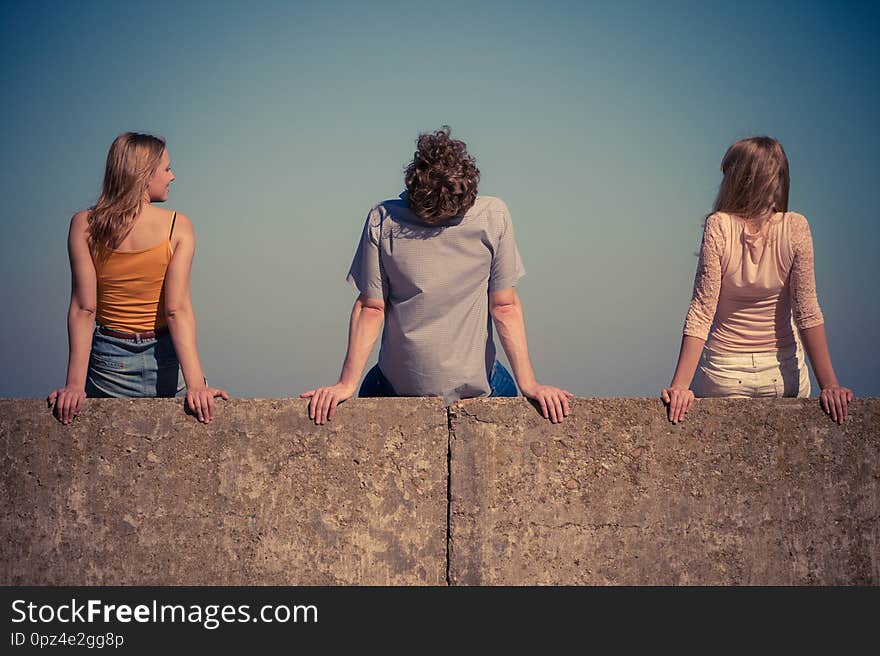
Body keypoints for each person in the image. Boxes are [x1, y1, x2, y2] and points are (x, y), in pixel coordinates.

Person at [302, 126, 572, 424]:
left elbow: (371, 308)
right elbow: (504, 307)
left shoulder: (383, 218)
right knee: (500, 384)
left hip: (399, 388)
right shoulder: (493, 214)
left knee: (370, 390)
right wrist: (530, 385)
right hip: (475, 386)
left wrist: (346, 385)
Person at [662, 136, 853, 425]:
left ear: (736, 179)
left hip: (724, 375)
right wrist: (830, 385)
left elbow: (702, 309)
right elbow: (807, 311)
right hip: (782, 374)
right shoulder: (796, 227)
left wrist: (680, 386)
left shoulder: (719, 226)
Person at [47, 132, 227, 424]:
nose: (172, 176)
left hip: (108, 365)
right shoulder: (177, 226)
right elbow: (176, 310)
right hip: (168, 359)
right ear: (144, 175)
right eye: (167, 168)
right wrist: (197, 385)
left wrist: (74, 386)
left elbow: (84, 309)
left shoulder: (84, 225)